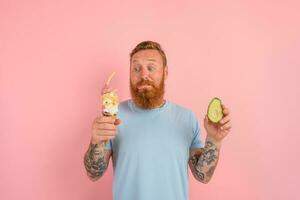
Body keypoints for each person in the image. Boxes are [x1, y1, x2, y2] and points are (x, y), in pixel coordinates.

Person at [84, 41, 232, 200]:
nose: (143, 75)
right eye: (136, 68)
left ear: (165, 72)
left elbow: (202, 175)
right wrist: (96, 141)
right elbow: (94, 174)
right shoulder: (113, 118)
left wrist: (214, 141)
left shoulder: (187, 118)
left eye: (151, 67)